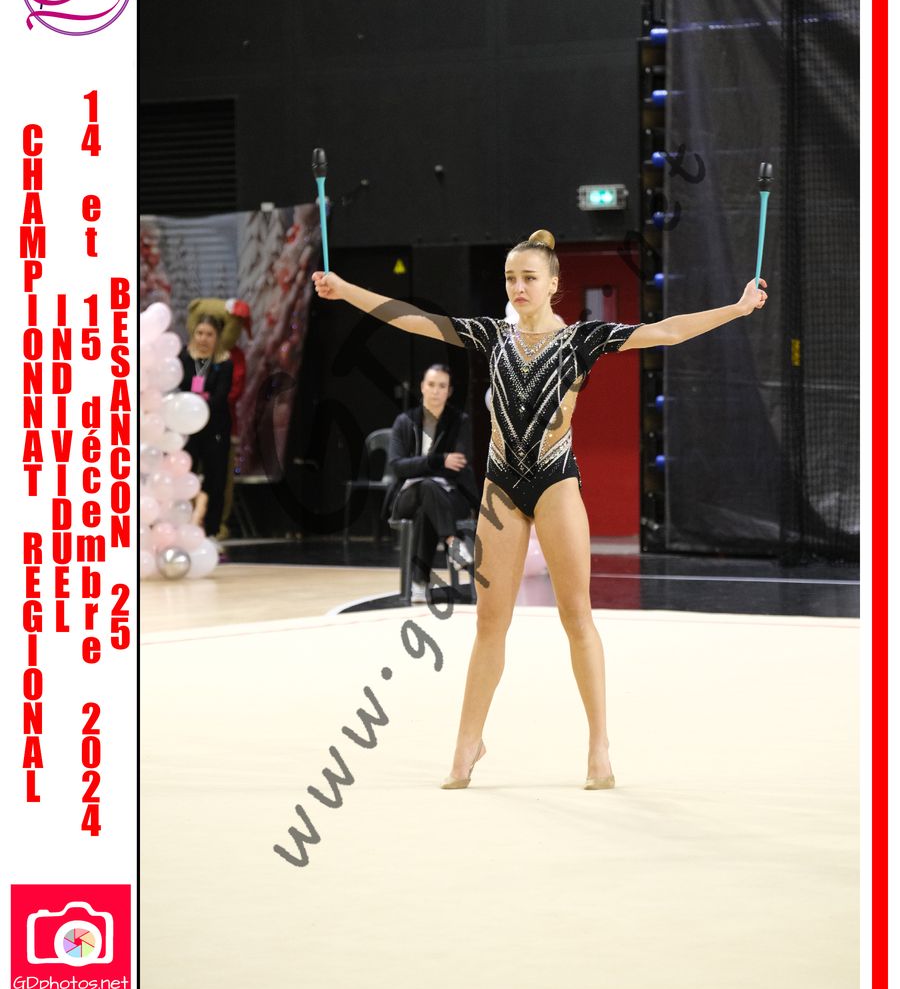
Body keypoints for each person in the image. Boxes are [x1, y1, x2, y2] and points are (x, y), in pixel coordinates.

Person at [312, 229, 768, 790]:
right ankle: (468, 742)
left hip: (555, 482)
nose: (518, 287)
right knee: (489, 623)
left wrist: (738, 308)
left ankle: (599, 745)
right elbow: (412, 319)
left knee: (576, 616)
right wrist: (345, 290)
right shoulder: (491, 335)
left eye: (529, 277)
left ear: (554, 283)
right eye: (511, 278)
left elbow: (667, 331)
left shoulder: (581, 340)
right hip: (501, 488)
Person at [382, 364, 480, 603]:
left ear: (449, 391)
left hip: (450, 495)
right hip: (408, 495)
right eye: (432, 385)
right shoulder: (404, 421)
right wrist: (439, 460)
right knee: (426, 488)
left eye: (442, 386)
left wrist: (421, 465)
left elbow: (458, 464)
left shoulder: (459, 421)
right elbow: (397, 466)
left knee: (427, 502)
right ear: (422, 387)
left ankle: (419, 583)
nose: (436, 391)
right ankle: (453, 543)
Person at [178, 314, 233, 541]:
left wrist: (198, 405)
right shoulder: (184, 357)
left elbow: (220, 396)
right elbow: (179, 388)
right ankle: (182, 526)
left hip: (214, 428)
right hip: (186, 429)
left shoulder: (224, 361)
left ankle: (211, 531)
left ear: (217, 337)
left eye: (209, 334)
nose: (203, 338)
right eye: (200, 333)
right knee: (184, 476)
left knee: (216, 480)